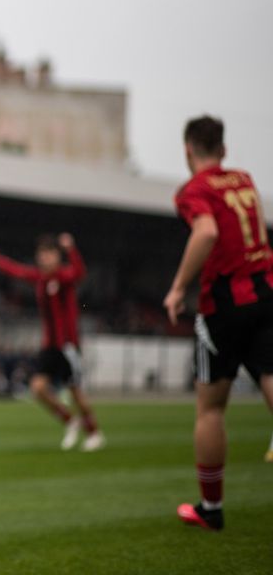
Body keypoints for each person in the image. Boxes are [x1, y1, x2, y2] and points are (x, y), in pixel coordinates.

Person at [163, 115, 273, 531]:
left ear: (188, 150)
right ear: (224, 150)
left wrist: (177, 288)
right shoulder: (243, 179)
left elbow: (207, 232)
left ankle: (211, 508)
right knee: (270, 374)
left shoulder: (194, 189)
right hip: (267, 291)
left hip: (224, 303)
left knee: (210, 408)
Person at [0, 232, 104, 452]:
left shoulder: (64, 277)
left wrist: (71, 249)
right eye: (42, 254)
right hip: (50, 345)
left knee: (75, 392)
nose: (45, 258)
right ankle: (70, 420)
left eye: (49, 254)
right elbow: (15, 270)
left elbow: (79, 272)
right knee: (37, 388)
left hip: (67, 346)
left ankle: (94, 433)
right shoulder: (40, 278)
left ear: (58, 256)